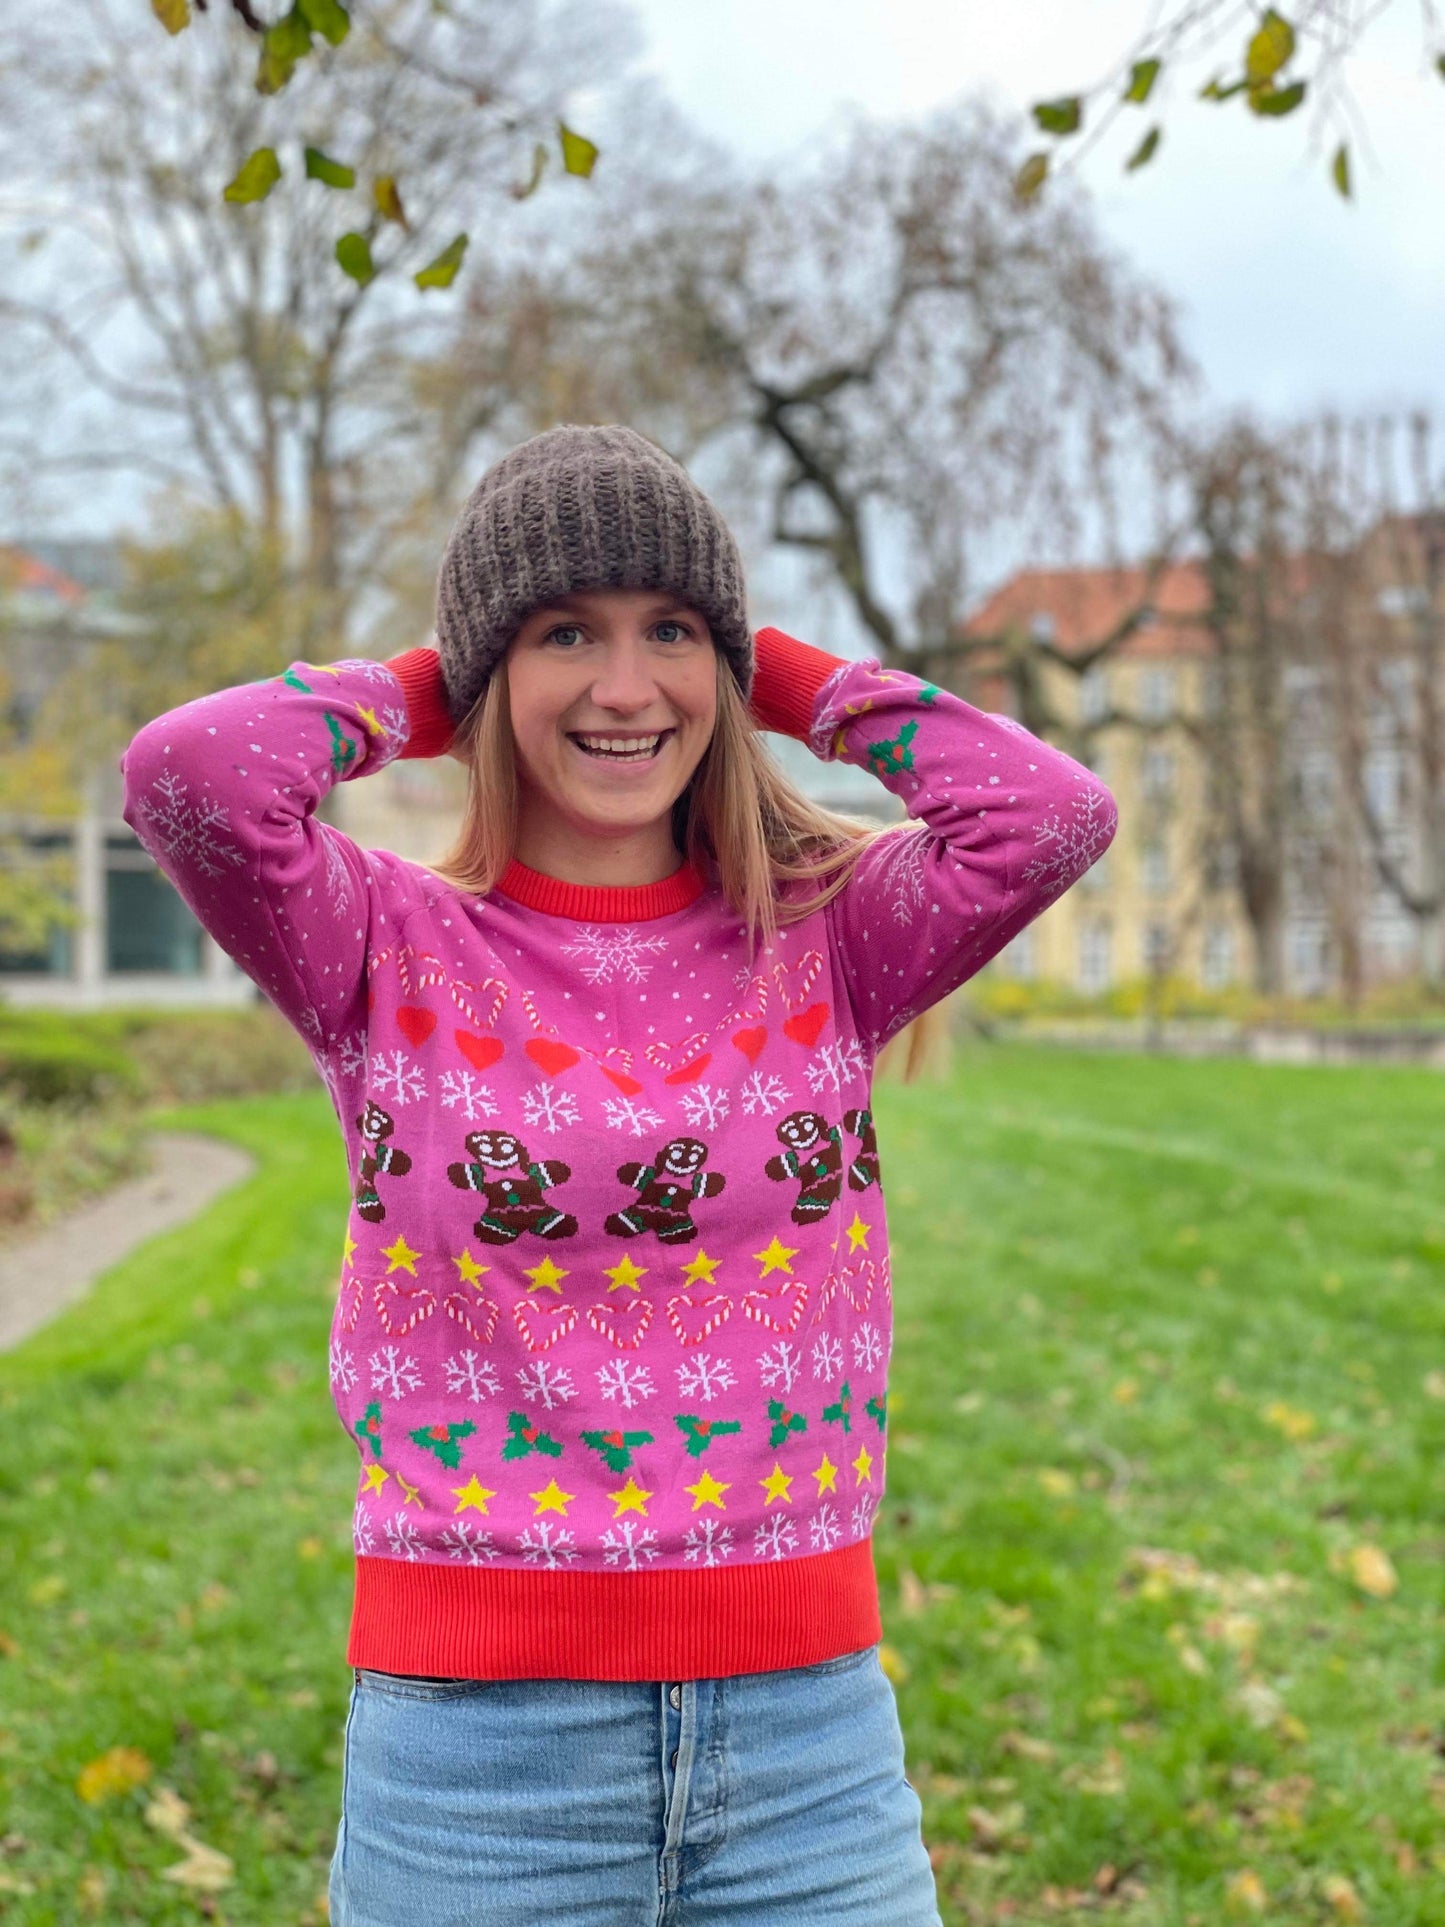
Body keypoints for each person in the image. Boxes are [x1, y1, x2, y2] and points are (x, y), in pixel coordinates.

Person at [121, 423, 1119, 1925]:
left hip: (807, 1751)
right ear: (487, 676)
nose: (624, 685)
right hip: (476, 1766)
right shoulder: (380, 943)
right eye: (562, 634)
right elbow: (186, 775)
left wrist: (774, 669)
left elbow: (1052, 815)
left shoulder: (832, 930)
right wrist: (427, 681)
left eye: (667, 632)